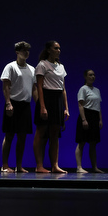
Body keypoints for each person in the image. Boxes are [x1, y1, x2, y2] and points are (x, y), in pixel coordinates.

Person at [0, 41, 37, 173]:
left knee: (22, 137)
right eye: (23, 50)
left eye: (28, 50)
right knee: (9, 135)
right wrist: (8, 103)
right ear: (17, 52)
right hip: (13, 104)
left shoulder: (32, 69)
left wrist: (38, 104)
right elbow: (6, 86)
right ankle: (5, 165)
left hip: (25, 105)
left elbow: (34, 89)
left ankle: (19, 166)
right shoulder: (10, 67)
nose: (26, 52)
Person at [33, 40, 69, 173]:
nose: (58, 50)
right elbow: (40, 87)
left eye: (59, 48)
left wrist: (66, 108)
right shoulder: (42, 65)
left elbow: (63, 89)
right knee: (41, 132)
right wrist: (42, 106)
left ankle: (55, 165)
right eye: (55, 48)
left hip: (57, 99)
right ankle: (39, 166)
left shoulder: (61, 66)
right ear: (49, 50)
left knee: (55, 133)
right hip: (46, 98)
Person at [75, 69, 103, 173]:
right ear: (85, 77)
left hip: (94, 117)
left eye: (94, 75)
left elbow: (98, 106)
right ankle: (79, 167)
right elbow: (80, 104)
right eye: (90, 75)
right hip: (86, 115)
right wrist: (84, 119)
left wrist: (100, 119)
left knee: (93, 143)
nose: (92, 77)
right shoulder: (83, 89)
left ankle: (94, 167)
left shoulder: (97, 90)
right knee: (81, 142)